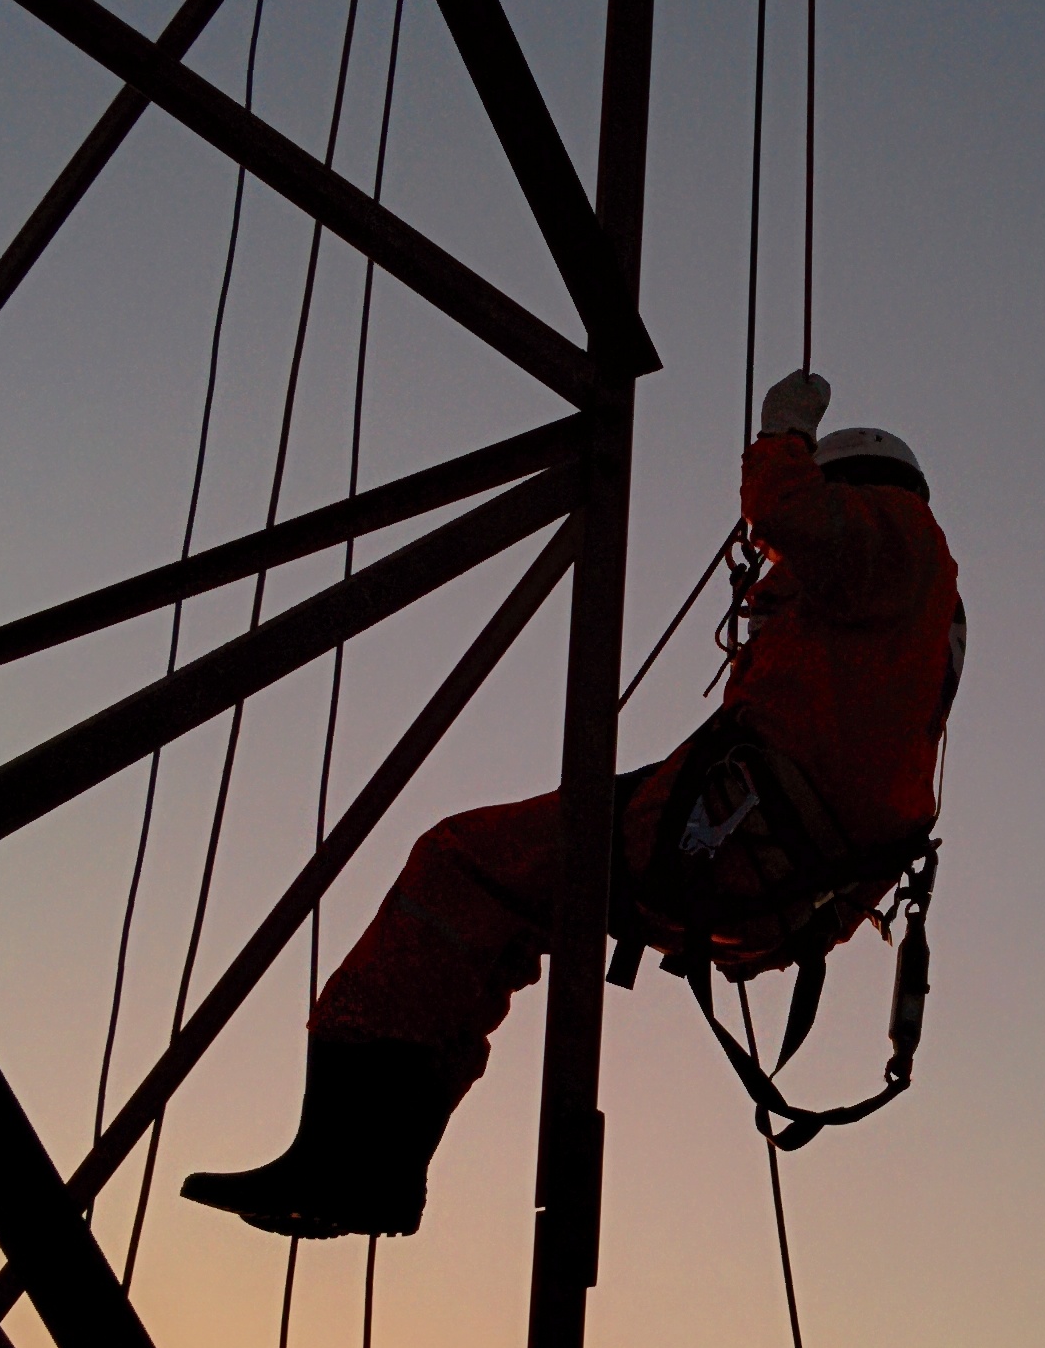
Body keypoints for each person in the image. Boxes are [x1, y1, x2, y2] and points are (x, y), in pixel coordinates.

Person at [181, 371, 962, 1238]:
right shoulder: (905, 621)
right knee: (513, 904)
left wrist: (783, 433)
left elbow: (787, 509)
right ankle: (375, 1165)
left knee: (461, 863)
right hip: (782, 877)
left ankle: (351, 1157)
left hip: (734, 841)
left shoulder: (895, 539)